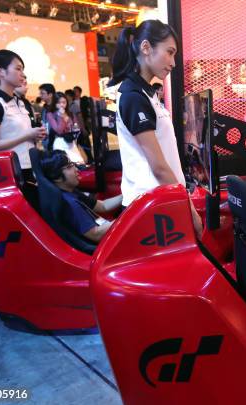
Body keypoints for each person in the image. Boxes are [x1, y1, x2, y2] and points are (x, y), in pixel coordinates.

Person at [109, 19, 202, 237]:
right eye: (169, 52)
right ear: (146, 48)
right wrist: (189, 210)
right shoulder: (133, 97)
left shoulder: (146, 94)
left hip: (160, 200)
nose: (173, 62)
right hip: (151, 205)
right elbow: (158, 167)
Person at [0, 50, 46, 179]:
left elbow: (19, 133)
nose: (23, 75)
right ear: (0, 71)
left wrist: (35, 135)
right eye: (18, 69)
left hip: (29, 165)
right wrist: (27, 135)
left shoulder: (19, 101)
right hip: (12, 171)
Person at [40, 150, 122, 243]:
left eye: (73, 164)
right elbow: (96, 234)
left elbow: (103, 206)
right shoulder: (69, 203)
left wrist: (128, 196)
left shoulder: (71, 192)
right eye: (69, 167)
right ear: (57, 177)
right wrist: (127, 219)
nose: (76, 169)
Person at [46, 91, 86, 163]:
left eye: (64, 102)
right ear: (54, 103)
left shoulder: (70, 113)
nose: (61, 105)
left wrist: (72, 126)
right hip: (59, 142)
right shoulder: (50, 114)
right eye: (58, 102)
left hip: (71, 142)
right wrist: (61, 116)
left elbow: (77, 128)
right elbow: (59, 130)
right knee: (65, 165)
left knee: (79, 163)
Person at [38, 83, 55, 150]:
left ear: (50, 95)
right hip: (46, 143)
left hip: (56, 144)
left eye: (42, 93)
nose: (40, 95)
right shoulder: (44, 108)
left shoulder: (57, 108)